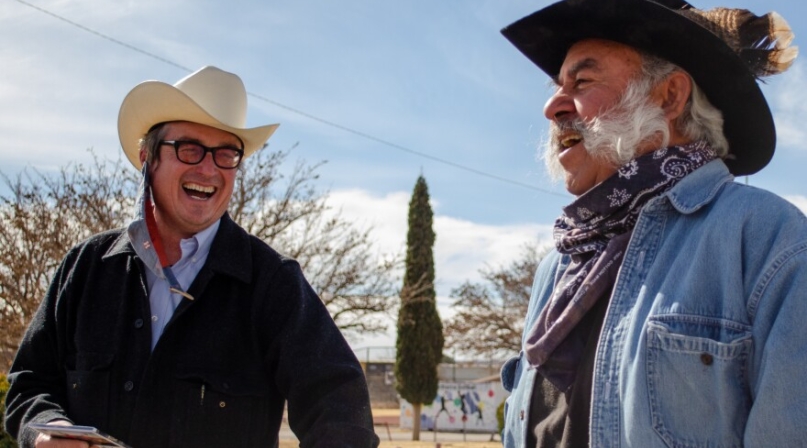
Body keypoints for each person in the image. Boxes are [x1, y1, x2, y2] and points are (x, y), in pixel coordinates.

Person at [4, 66, 380, 448]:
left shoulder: (273, 282)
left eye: (226, 154)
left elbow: (341, 410)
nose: (208, 168)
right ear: (148, 158)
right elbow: (30, 385)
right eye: (190, 149)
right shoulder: (84, 268)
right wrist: (43, 430)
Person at [498, 0, 807, 447]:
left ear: (669, 96)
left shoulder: (768, 241)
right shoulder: (557, 267)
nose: (552, 106)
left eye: (581, 81)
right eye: (555, 86)